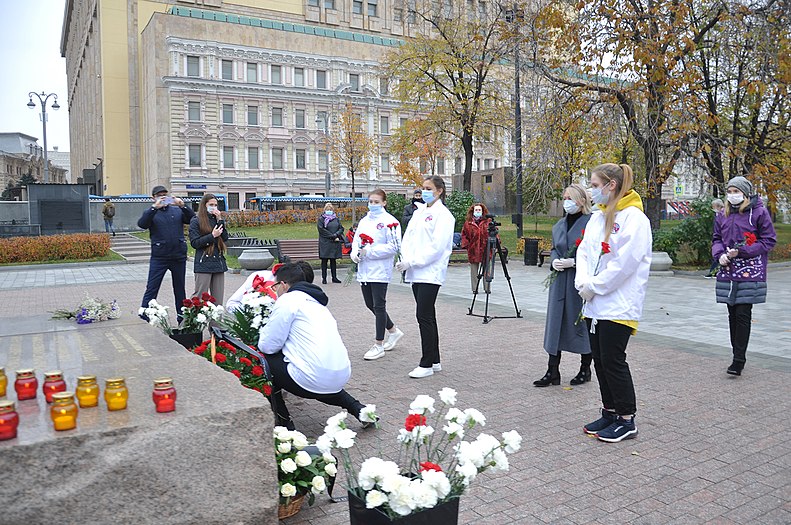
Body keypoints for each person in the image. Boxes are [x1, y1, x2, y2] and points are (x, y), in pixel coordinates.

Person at [575, 164, 652, 443]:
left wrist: (594, 286)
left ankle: (626, 418)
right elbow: (584, 252)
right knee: (599, 359)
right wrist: (583, 282)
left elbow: (625, 265)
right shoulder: (597, 217)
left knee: (613, 360)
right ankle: (609, 411)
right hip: (594, 303)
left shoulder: (634, 219)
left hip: (619, 303)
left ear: (611, 185)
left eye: (595, 184)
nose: (591, 189)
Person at [258, 262, 374, 430]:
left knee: (262, 360)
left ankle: (285, 425)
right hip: (341, 374)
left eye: (275, 286)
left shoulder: (287, 301)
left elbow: (268, 346)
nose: (275, 291)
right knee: (318, 377)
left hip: (311, 379)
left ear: (283, 284)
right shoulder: (317, 304)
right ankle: (359, 409)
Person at [712, 176, 776, 376]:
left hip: (750, 269)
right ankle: (736, 354)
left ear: (746, 194)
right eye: (729, 192)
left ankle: (739, 360)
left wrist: (744, 250)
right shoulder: (723, 214)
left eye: (736, 191)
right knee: (732, 313)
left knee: (742, 313)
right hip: (728, 269)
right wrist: (719, 254)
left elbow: (769, 240)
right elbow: (716, 238)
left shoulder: (759, 212)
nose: (732, 195)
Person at [396, 176, 455, 378]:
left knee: (423, 316)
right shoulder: (420, 211)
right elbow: (409, 237)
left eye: (428, 188)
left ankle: (426, 363)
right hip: (416, 270)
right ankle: (435, 359)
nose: (424, 191)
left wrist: (413, 261)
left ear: (439, 191)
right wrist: (405, 258)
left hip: (430, 271)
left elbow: (436, 248)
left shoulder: (444, 215)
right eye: (423, 188)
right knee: (427, 315)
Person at [535, 184, 593, 387]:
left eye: (570, 198)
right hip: (559, 280)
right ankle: (552, 370)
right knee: (555, 324)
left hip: (579, 280)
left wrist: (575, 262)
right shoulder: (559, 224)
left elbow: (595, 253)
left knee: (580, 324)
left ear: (582, 200)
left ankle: (585, 368)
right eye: (565, 197)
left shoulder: (591, 223)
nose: (566, 202)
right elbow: (553, 248)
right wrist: (554, 261)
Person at [351, 189, 405, 361]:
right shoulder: (365, 221)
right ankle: (393, 331)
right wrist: (355, 253)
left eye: (376, 202)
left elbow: (394, 246)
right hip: (365, 269)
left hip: (380, 269)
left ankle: (378, 344)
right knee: (370, 304)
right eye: (370, 201)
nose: (372, 205)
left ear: (384, 203)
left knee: (379, 306)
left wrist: (371, 252)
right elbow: (356, 240)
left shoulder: (390, 222)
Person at [138, 185, 195, 322]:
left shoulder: (176, 210)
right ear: (153, 198)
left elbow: (192, 219)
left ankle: (182, 317)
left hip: (178, 256)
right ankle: (145, 313)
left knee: (179, 288)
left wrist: (183, 206)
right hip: (160, 256)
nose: (163, 198)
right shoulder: (151, 212)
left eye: (165, 195)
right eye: (159, 195)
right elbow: (142, 224)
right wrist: (154, 208)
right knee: (152, 287)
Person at [189, 194, 229, 304]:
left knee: (217, 300)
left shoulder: (217, 219)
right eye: (211, 204)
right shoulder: (196, 220)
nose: (214, 207)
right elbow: (195, 243)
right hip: (204, 263)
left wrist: (220, 220)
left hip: (218, 262)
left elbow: (225, 238)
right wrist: (212, 236)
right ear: (204, 205)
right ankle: (192, 321)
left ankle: (215, 322)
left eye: (216, 205)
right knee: (199, 297)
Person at [460, 202, 494, 294]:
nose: (478, 211)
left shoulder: (488, 222)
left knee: (487, 269)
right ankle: (475, 288)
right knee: (474, 270)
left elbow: (495, 233)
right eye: (476, 210)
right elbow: (464, 235)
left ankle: (487, 288)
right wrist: (467, 245)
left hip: (486, 248)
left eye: (479, 210)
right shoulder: (468, 223)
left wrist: (494, 244)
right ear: (473, 211)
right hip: (473, 249)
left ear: (483, 211)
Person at [317, 203, 344, 284]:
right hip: (325, 243)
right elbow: (321, 230)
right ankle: (324, 278)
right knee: (324, 261)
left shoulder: (336, 219)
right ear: (324, 210)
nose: (329, 211)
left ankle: (334, 277)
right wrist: (332, 236)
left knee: (333, 261)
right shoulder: (321, 219)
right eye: (327, 209)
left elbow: (341, 228)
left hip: (334, 243)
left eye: (330, 209)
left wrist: (336, 234)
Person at [706, 198, 725, 278]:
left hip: (723, 239)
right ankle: (714, 272)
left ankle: (713, 272)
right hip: (718, 238)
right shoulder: (718, 214)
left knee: (718, 256)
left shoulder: (723, 214)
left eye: (714, 206)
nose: (713, 208)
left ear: (718, 206)